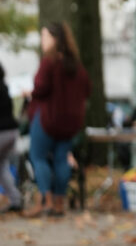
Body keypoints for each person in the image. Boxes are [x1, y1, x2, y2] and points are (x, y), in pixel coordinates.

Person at [23, 22, 91, 218]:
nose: (42, 41)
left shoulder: (49, 61)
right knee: (62, 159)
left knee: (38, 157)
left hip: (47, 120)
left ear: (54, 39)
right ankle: (60, 203)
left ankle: (46, 201)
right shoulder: (75, 65)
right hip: (69, 123)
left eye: (45, 36)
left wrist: (31, 92)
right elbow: (87, 89)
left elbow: (41, 87)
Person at [0, 61, 22, 213]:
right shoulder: (4, 86)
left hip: (2, 132)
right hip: (11, 131)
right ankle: (16, 200)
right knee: (2, 167)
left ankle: (16, 199)